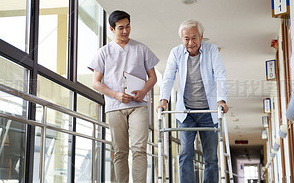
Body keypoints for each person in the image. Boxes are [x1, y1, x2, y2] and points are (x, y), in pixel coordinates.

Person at [88, 10, 159, 183]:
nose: (126, 31)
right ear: (112, 29)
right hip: (114, 106)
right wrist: (116, 95)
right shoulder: (103, 52)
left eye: (128, 27)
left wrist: (143, 92)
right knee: (120, 151)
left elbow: (153, 77)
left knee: (139, 149)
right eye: (121, 28)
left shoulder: (141, 48)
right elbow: (96, 82)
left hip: (138, 106)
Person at [157, 19, 228, 183]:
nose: (190, 42)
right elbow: (168, 77)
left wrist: (221, 100)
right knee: (185, 154)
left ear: (201, 36)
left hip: (208, 112)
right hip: (186, 112)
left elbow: (220, 76)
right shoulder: (175, 52)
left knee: (211, 157)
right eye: (186, 39)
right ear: (181, 39)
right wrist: (163, 101)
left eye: (194, 38)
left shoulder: (211, 51)